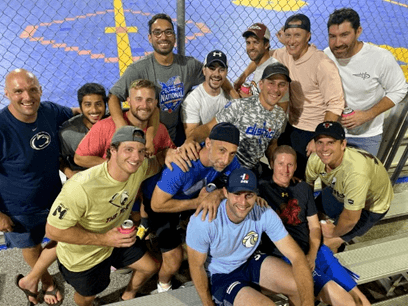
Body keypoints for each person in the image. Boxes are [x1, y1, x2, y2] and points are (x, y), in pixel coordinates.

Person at [45, 126, 176, 306]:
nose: (136, 157)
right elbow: (53, 231)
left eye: (140, 151)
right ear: (112, 150)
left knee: (150, 267)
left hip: (116, 239)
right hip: (84, 257)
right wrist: (105, 239)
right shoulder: (81, 186)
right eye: (128, 150)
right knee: (88, 296)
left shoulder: (138, 168)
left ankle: (127, 296)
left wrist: (167, 153)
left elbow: (157, 161)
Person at [1, 68, 78, 306]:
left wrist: (115, 111)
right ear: (6, 94)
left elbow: (79, 113)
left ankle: (33, 279)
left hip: (53, 195)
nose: (27, 96)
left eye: (32, 89)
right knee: (31, 245)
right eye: (19, 91)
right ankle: (46, 282)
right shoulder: (2, 129)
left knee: (64, 236)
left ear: (41, 90)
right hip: (17, 206)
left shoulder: (49, 111)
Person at [259, 145, 371, 306]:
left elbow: (314, 227)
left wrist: (312, 253)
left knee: (360, 299)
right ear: (272, 164)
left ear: (296, 166)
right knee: (346, 301)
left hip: (316, 251)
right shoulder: (261, 189)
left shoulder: (302, 188)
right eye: (281, 164)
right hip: (288, 255)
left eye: (290, 165)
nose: (285, 170)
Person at [186, 168, 314, 306]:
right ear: (225, 193)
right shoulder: (204, 221)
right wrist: (207, 303)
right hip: (220, 276)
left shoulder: (263, 212)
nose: (243, 202)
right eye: (237, 194)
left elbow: (296, 256)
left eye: (249, 195)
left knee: (299, 286)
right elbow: (196, 266)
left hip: (248, 262)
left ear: (256, 195)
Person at [238, 14, 345, 177]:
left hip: (312, 129)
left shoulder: (322, 64)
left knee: (299, 178)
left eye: (297, 35)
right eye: (288, 35)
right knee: (280, 168)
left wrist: (319, 139)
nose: (291, 40)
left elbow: (335, 104)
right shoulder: (284, 54)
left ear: (308, 36)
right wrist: (242, 76)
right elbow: (263, 57)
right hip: (291, 124)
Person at [108, 13, 238, 146]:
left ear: (174, 37)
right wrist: (122, 127)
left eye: (168, 32)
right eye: (157, 33)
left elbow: (214, 75)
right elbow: (113, 96)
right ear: (150, 38)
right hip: (149, 135)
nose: (163, 37)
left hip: (176, 134)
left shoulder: (188, 65)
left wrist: (234, 95)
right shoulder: (138, 69)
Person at [140, 122, 241, 293]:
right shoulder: (182, 165)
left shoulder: (230, 160)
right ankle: (163, 286)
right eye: (221, 151)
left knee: (231, 208)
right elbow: (157, 205)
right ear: (208, 143)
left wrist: (217, 194)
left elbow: (236, 186)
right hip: (160, 202)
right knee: (173, 261)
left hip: (190, 196)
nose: (225, 160)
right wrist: (197, 203)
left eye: (231, 154)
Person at [181, 62, 289, 176]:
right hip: (227, 170)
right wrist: (191, 139)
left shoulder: (280, 115)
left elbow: (272, 144)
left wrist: (279, 166)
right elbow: (208, 127)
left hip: (252, 169)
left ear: (286, 88)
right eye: (271, 83)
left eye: (281, 84)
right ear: (261, 84)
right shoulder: (239, 106)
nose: (276, 89)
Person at [324, 8, 408, 156]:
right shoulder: (326, 55)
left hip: (366, 137)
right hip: (333, 133)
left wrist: (367, 115)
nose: (337, 43)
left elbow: (399, 89)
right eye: (332, 36)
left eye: (344, 35)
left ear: (358, 32)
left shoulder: (380, 58)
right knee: (332, 177)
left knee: (362, 177)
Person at [305, 121, 393, 252]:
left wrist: (334, 232)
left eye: (331, 142)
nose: (324, 149)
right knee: (309, 220)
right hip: (339, 192)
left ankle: (334, 257)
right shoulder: (316, 159)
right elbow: (307, 189)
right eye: (320, 142)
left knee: (326, 244)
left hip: (371, 206)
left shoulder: (356, 172)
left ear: (343, 144)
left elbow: (351, 218)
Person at [74, 79, 176, 169]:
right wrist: (114, 166)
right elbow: (80, 158)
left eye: (149, 100)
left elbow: (170, 152)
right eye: (138, 99)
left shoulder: (159, 129)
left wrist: (167, 153)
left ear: (155, 103)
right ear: (129, 101)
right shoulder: (105, 126)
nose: (144, 106)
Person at [234, 22, 289, 111]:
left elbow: (282, 110)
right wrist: (243, 76)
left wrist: (251, 101)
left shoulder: (275, 72)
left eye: (256, 42)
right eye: (248, 43)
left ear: (266, 45)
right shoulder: (261, 65)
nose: (251, 47)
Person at [59, 83, 107, 179]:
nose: (94, 110)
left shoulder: (114, 122)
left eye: (98, 104)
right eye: (88, 105)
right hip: (82, 179)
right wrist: (71, 174)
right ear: (80, 107)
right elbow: (59, 158)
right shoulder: (67, 132)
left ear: (105, 105)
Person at [181, 50, 231, 137]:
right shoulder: (192, 100)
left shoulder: (230, 97)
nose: (216, 74)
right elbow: (191, 137)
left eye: (221, 70)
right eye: (212, 69)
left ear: (226, 72)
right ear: (204, 71)